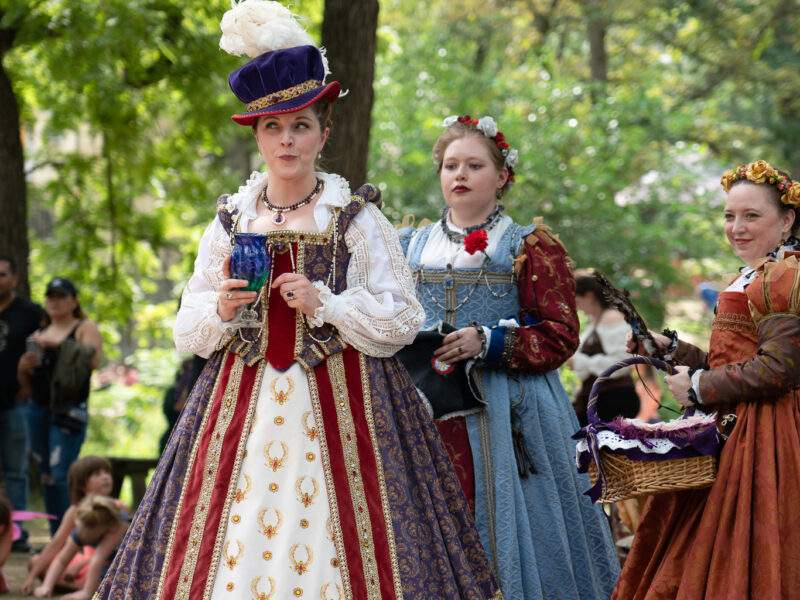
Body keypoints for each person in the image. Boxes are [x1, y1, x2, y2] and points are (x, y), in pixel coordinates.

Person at [95, 4, 501, 599]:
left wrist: (329, 305)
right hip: (241, 397)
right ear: (256, 135)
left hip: (351, 400)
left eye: (301, 126)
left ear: (324, 132)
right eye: (273, 128)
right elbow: (187, 326)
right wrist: (223, 311)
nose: (287, 140)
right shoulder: (231, 221)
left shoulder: (357, 220)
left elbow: (404, 317)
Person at [399, 115, 619, 599]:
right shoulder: (409, 245)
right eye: (450, 165)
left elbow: (560, 334)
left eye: (474, 165)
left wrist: (490, 341)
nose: (459, 175)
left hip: (509, 413)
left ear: (501, 177)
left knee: (513, 528)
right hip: (426, 407)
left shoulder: (529, 247)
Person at [613, 160, 800, 599]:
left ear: (787, 219)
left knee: (745, 554)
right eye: (729, 215)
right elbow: (730, 358)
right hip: (733, 429)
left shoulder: (787, 276)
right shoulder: (749, 276)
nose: (737, 227)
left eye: (752, 216)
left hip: (767, 437)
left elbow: (780, 369)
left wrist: (697, 385)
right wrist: (672, 350)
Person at [17, 277, 103, 534]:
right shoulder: (38, 333)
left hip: (69, 409)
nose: (54, 301)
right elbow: (28, 384)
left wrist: (56, 345)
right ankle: (58, 533)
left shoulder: (84, 327)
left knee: (62, 471)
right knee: (45, 473)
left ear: (74, 301)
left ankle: (75, 536)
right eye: (50, 296)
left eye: (61, 296)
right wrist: (23, 369)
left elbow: (93, 359)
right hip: (38, 408)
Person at [21, 456, 120, 595]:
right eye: (97, 474)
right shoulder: (75, 511)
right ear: (81, 485)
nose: (105, 477)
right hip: (79, 559)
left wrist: (82, 565)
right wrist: (31, 578)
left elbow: (115, 553)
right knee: (35, 561)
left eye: (107, 472)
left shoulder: (119, 510)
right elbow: (56, 544)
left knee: (106, 573)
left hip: (103, 563)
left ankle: (81, 589)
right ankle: (74, 587)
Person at [0, 256, 45, 552]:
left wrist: (30, 385)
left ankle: (14, 535)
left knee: (16, 471)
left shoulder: (30, 313)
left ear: (15, 279)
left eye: (2, 274)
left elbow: (46, 348)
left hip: (14, 404)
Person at [569, 272, 640, 426]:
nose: (577, 307)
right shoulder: (594, 321)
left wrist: (580, 362)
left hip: (615, 399)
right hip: (598, 399)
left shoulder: (612, 317)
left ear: (589, 296)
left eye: (578, 301)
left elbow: (622, 363)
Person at [34, 495, 129, 600]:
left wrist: (86, 593)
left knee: (108, 586)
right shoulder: (84, 525)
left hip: (131, 564)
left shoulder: (118, 525)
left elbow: (98, 559)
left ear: (103, 529)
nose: (82, 537)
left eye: (88, 536)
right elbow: (62, 559)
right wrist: (47, 586)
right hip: (109, 564)